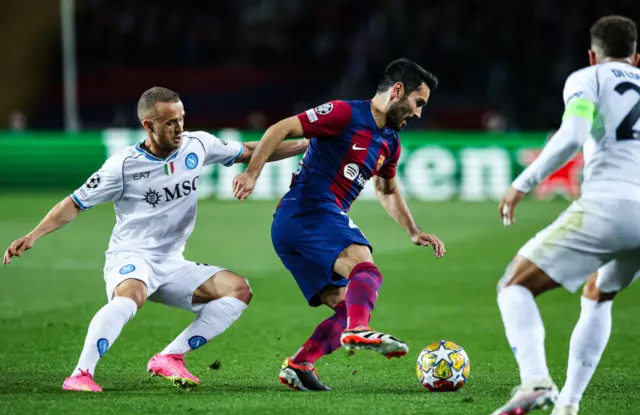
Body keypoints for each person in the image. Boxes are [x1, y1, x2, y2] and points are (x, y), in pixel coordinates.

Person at [3, 87, 308, 392]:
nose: (180, 128)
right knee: (131, 296)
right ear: (148, 125)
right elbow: (75, 202)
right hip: (131, 255)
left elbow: (251, 151)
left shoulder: (198, 144)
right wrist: (33, 235)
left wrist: (306, 144)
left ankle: (170, 356)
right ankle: (81, 374)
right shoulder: (122, 165)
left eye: (181, 119)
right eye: (170, 123)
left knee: (238, 290)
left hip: (172, 262)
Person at [232, 58, 445, 391]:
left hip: (301, 226)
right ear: (398, 91)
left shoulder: (390, 142)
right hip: (307, 210)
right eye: (418, 103)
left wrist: (413, 230)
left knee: (347, 306)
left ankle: (300, 365)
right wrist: (251, 172)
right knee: (366, 268)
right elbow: (281, 129)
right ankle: (359, 331)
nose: (419, 113)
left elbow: (386, 189)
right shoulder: (345, 114)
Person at [487, 15, 640, 415]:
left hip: (608, 204)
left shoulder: (587, 78)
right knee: (598, 293)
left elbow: (573, 135)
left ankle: (536, 381)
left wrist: (522, 183)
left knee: (514, 286)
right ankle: (567, 408)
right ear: (636, 56)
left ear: (593, 54)